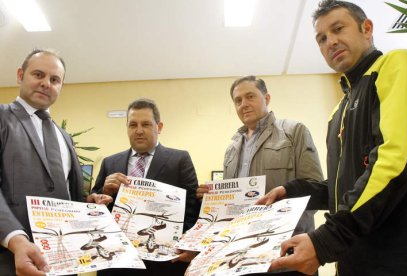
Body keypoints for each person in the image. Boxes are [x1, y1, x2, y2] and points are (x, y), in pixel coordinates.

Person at [258, 1, 407, 275]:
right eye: (322, 38)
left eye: (338, 29)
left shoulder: (397, 64)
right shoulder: (338, 111)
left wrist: (327, 240)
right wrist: (292, 192)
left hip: (395, 259)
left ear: (366, 29)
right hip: (352, 261)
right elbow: (344, 185)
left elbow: (393, 163)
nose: (331, 42)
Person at [191, 75, 324, 276]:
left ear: (267, 98)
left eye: (250, 96)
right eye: (238, 100)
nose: (244, 104)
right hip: (241, 258)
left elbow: (314, 188)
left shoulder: (294, 131)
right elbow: (232, 204)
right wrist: (214, 200)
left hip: (286, 257)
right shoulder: (232, 148)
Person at [0, 49, 112, 276]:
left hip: (64, 261)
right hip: (11, 261)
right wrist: (15, 240)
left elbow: (68, 196)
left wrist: (87, 203)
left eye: (54, 80)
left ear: (61, 86)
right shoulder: (2, 118)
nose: (46, 84)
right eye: (38, 75)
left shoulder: (64, 137)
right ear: (20, 75)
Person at [90, 98, 201, 276]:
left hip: (164, 262)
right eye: (133, 125)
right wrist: (103, 192)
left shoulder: (179, 160)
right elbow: (93, 204)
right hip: (118, 260)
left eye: (146, 124)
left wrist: (188, 245)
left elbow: (193, 208)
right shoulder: (110, 162)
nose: (139, 131)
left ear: (159, 127)